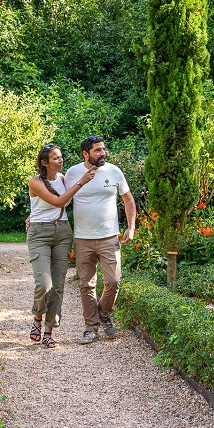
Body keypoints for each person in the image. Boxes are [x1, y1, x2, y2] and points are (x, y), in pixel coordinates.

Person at [65, 135, 136, 344]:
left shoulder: (114, 171)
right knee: (86, 285)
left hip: (108, 237)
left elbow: (129, 200)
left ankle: (104, 314)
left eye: (103, 149)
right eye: (97, 150)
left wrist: (131, 228)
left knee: (113, 281)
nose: (103, 153)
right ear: (85, 154)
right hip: (83, 238)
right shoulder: (72, 173)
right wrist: (36, 214)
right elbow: (61, 200)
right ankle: (91, 328)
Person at [27, 143, 96, 348]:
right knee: (44, 285)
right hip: (40, 233)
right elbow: (58, 202)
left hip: (63, 232)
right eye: (55, 158)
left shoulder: (64, 178)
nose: (60, 160)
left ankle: (48, 331)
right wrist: (81, 182)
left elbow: (70, 200)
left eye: (61, 157)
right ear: (44, 162)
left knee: (57, 286)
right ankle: (37, 318)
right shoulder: (35, 182)